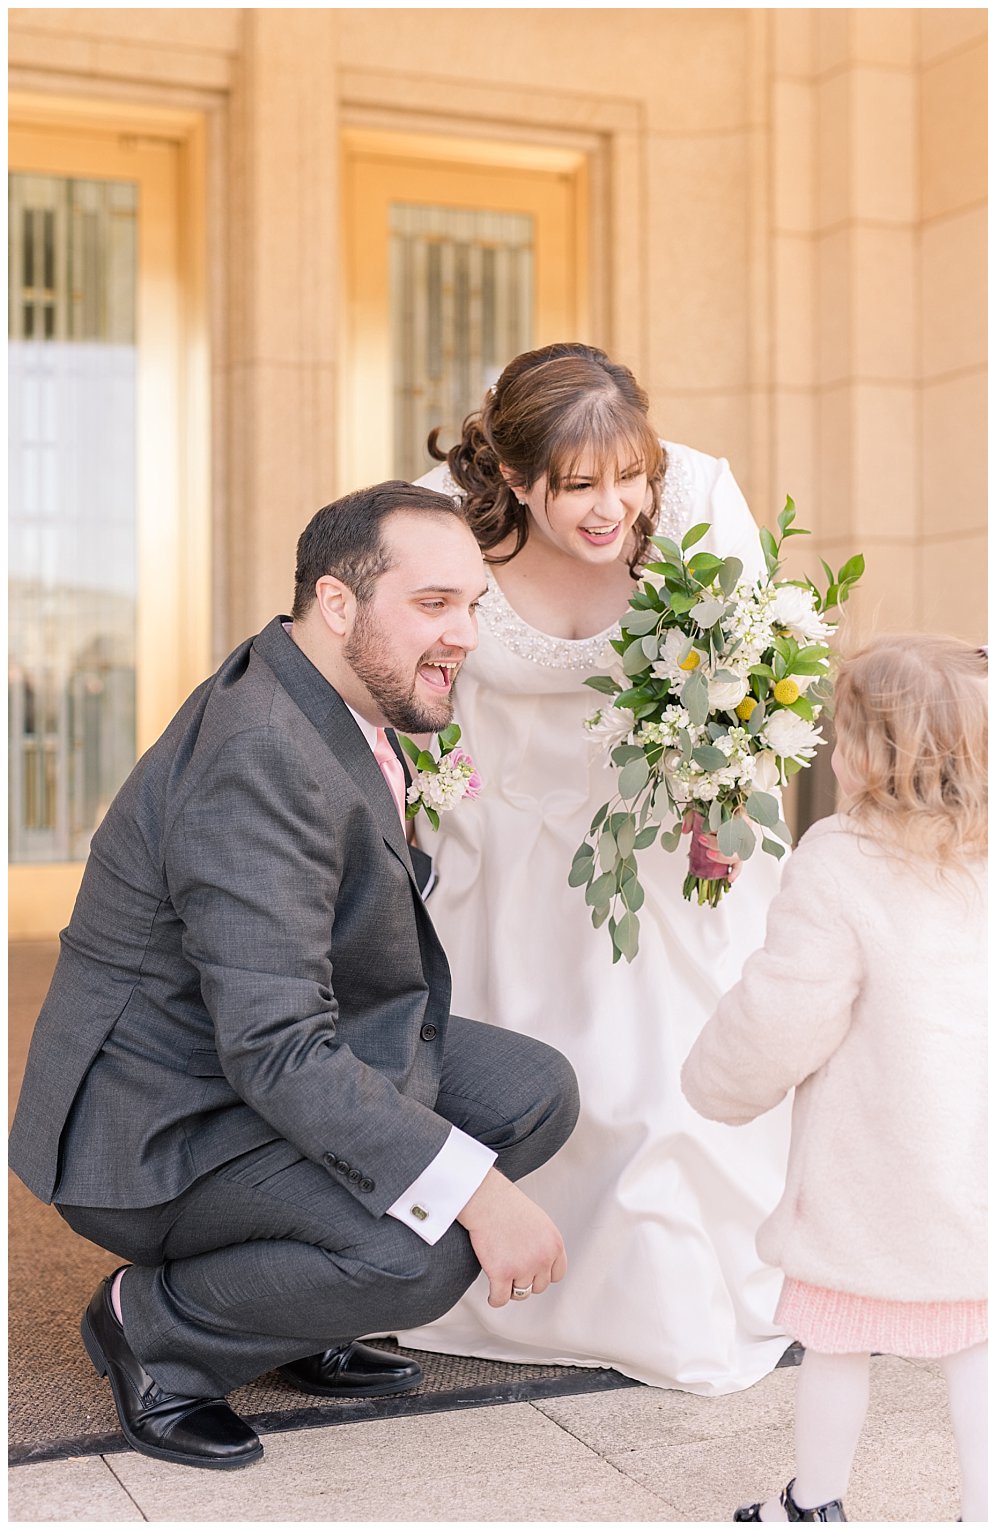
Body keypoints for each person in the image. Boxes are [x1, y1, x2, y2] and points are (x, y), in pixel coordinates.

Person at [7, 483, 580, 1470]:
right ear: (337, 602)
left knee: (533, 1094)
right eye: (434, 605)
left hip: (239, 1062)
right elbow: (276, 1050)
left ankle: (291, 1314)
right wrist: (477, 1195)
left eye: (473, 605)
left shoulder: (317, 687)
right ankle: (153, 1330)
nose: (467, 636)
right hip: (153, 1123)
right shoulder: (260, 752)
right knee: (424, 1247)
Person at [394, 342, 790, 1392]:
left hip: (660, 827)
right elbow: (413, 684)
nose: (614, 505)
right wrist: (433, 814)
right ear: (516, 481)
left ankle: (665, 1292)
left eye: (629, 475)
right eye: (578, 488)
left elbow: (746, 684)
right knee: (529, 1061)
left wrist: (713, 805)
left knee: (661, 1079)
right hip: (500, 829)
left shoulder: (697, 498)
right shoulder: (443, 523)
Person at [682, 636, 988, 1523]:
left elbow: (788, 1007)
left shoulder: (840, 860)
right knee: (981, 1346)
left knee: (835, 1340)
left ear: (876, 755)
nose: (834, 752)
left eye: (843, 735)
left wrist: (718, 1081)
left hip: (868, 1170)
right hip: (982, 1168)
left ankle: (815, 1502)